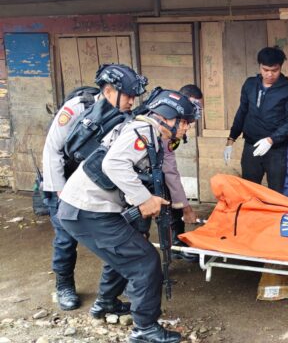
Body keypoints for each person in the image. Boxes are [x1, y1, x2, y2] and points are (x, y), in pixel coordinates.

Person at [57, 89, 197, 343]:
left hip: (84, 208)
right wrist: (144, 200)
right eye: (185, 122)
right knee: (145, 262)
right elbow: (113, 164)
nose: (187, 129)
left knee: (126, 253)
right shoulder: (143, 132)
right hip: (87, 209)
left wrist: (174, 203)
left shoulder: (152, 133)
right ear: (168, 117)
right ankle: (144, 329)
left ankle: (106, 304)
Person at [41, 64, 148, 311]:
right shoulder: (79, 108)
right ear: (109, 91)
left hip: (96, 186)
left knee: (116, 237)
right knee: (66, 238)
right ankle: (64, 284)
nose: (132, 101)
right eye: (128, 95)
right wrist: (60, 190)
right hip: (64, 182)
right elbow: (52, 149)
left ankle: (109, 297)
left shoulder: (127, 117)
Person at [223, 47, 288, 193]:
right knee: (250, 190)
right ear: (259, 66)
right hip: (251, 145)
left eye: (274, 70)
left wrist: (272, 139)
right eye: (265, 70)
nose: (270, 74)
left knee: (277, 191)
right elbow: (242, 111)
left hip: (278, 149)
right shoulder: (250, 84)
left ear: (280, 67)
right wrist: (231, 138)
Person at [163, 84, 204, 262]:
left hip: (159, 170)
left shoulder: (177, 126)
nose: (196, 115)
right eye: (195, 108)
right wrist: (186, 207)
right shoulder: (165, 126)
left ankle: (177, 243)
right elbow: (169, 171)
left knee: (174, 201)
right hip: (138, 178)